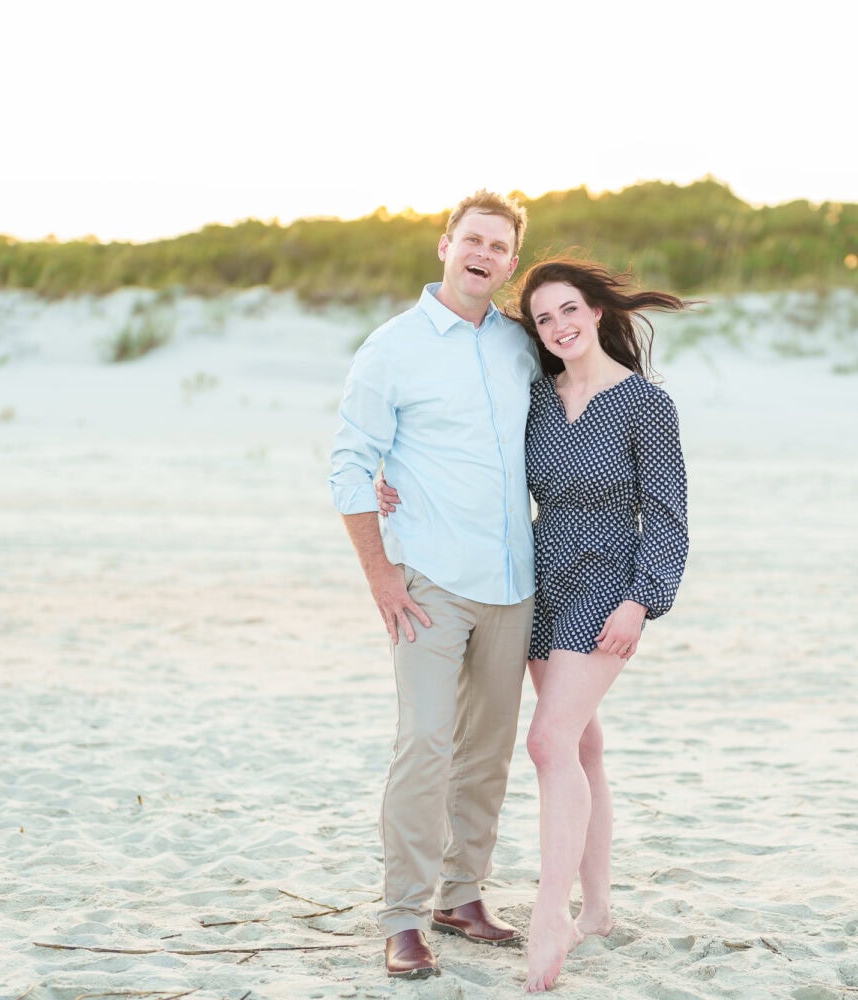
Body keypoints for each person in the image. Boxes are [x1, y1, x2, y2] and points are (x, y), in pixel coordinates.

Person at [379, 258, 690, 991]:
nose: (559, 327)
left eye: (569, 311)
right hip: (539, 579)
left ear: (598, 312)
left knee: (548, 741)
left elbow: (670, 518)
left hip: (609, 585)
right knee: (581, 741)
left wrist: (641, 599)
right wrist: (394, 477)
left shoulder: (647, 404)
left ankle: (555, 914)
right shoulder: (537, 399)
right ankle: (602, 908)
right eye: (544, 319)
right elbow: (470, 455)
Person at [328, 190, 540, 980]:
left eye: (499, 246)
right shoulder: (392, 348)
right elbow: (348, 465)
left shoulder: (522, 345)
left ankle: (462, 895)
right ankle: (404, 916)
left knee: (486, 750)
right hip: (428, 582)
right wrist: (381, 575)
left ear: (511, 263)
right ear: (444, 245)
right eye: (472, 240)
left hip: (513, 581)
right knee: (424, 745)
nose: (483, 254)